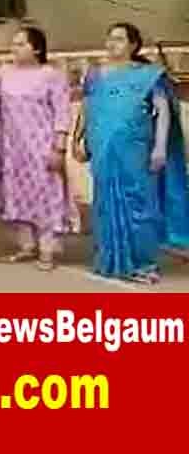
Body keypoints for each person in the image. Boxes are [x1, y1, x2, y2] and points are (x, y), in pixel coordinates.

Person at [77, 22, 189, 284]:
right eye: (109, 38)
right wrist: (77, 139)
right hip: (103, 147)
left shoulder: (148, 75)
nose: (111, 44)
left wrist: (160, 146)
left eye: (119, 39)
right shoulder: (95, 74)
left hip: (136, 148)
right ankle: (111, 259)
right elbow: (86, 107)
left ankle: (142, 263)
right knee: (105, 203)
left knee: (139, 203)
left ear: (133, 45)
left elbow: (162, 111)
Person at [0, 27, 73, 271]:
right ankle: (26, 245)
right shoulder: (4, 73)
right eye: (14, 44)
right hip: (11, 145)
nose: (15, 48)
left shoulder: (51, 75)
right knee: (15, 193)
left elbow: (62, 112)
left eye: (21, 44)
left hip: (41, 145)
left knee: (46, 193)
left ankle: (48, 248)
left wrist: (59, 147)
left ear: (37, 48)